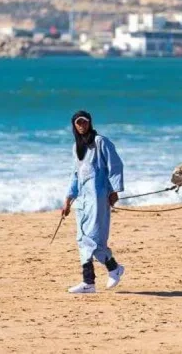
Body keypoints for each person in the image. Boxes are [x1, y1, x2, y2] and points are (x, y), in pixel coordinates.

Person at [62, 111, 126, 294]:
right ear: (74, 125)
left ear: (89, 123)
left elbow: (115, 166)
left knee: (93, 237)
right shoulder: (76, 147)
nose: (81, 125)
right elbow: (75, 175)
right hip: (82, 200)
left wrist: (114, 190)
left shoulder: (100, 142)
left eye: (84, 122)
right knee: (83, 238)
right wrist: (68, 200)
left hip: (98, 197)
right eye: (78, 123)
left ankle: (98, 276)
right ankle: (104, 273)